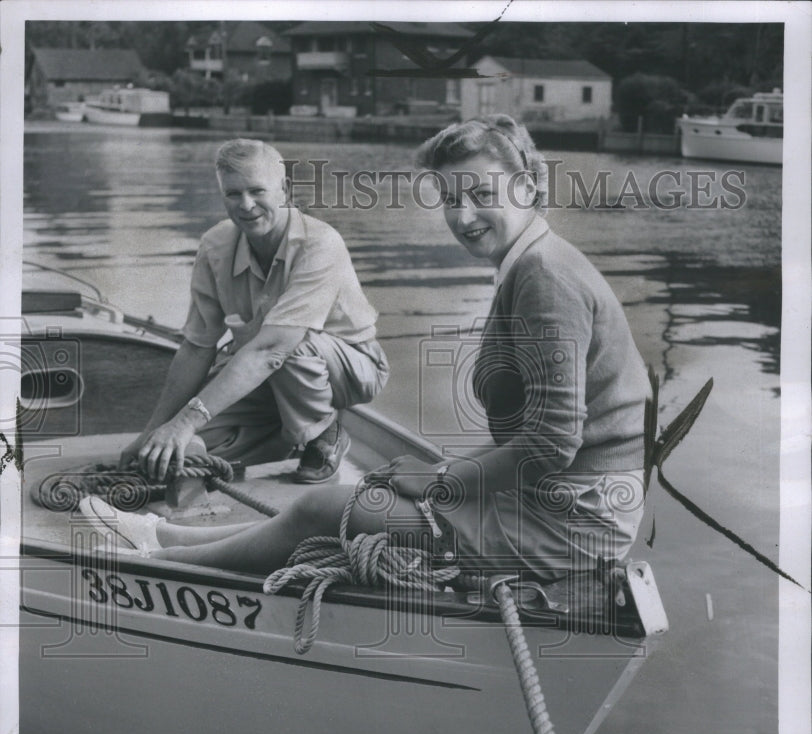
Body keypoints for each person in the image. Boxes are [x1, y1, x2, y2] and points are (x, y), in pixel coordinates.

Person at [89, 115, 649, 584]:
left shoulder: (544, 277)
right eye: (450, 198)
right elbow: (541, 437)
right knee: (353, 497)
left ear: (525, 188)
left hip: (572, 527)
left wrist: (440, 481)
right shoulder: (531, 262)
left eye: (482, 194)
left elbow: (552, 443)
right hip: (556, 502)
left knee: (317, 507)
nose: (462, 216)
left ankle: (156, 561)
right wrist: (443, 469)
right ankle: (167, 533)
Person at [121, 138, 389, 484]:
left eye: (257, 191)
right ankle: (282, 434)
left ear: (285, 190)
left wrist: (186, 421)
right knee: (181, 453)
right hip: (265, 368)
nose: (246, 206)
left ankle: (322, 433)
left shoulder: (320, 244)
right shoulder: (215, 245)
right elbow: (196, 348)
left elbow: (272, 349)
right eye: (233, 194)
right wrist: (155, 431)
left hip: (348, 370)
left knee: (291, 344)